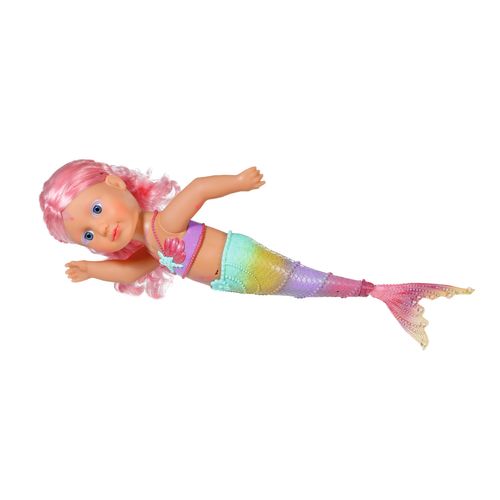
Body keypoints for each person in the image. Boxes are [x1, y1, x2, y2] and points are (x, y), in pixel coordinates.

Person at [40, 159, 473, 348]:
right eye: (89, 235)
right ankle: (377, 293)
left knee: (302, 279)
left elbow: (198, 189)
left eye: (96, 210)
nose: (102, 228)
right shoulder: (152, 245)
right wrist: (93, 270)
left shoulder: (163, 224)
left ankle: (377, 291)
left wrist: (238, 182)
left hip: (241, 260)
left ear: (117, 184)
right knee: (303, 286)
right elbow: (130, 271)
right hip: (233, 280)